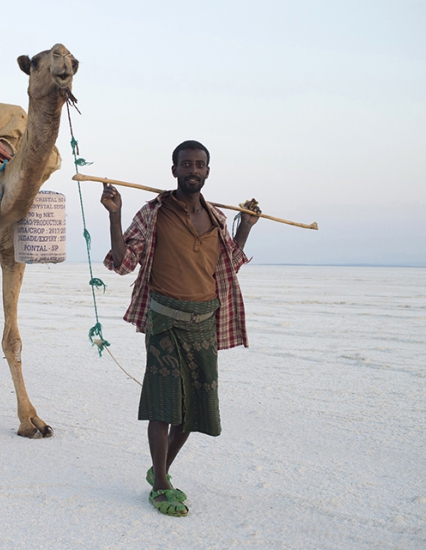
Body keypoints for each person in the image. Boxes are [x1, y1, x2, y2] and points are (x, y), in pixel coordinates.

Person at [101, 140, 259, 517]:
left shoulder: (219, 218)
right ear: (174, 171)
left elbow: (228, 264)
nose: (192, 170)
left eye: (199, 165)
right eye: (185, 164)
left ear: (207, 171)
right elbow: (124, 263)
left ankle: (161, 471)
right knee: (163, 406)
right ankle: (159, 484)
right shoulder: (153, 213)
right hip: (164, 321)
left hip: (205, 321)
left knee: (192, 412)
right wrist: (115, 216)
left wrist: (246, 227)